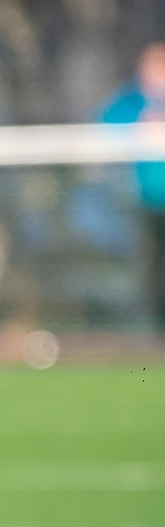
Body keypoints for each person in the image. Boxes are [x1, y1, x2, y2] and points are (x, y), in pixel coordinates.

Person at [100, 42, 165, 326]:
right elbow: (103, 132)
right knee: (151, 269)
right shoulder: (130, 102)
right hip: (143, 203)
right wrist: (140, 125)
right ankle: (152, 327)